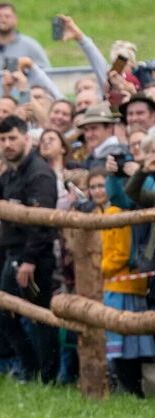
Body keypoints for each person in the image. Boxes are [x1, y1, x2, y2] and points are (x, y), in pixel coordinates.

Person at [0, 115, 60, 383]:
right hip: (13, 255)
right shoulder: (15, 169)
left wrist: (30, 260)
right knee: (5, 318)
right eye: (3, 139)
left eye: (13, 138)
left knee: (40, 317)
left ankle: (47, 377)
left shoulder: (39, 173)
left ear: (26, 137)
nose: (8, 144)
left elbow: (42, 221)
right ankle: (31, 369)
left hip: (32, 258)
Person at [88, 168, 155, 396]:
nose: (98, 190)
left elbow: (121, 253)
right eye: (94, 186)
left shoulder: (120, 214)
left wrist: (98, 269)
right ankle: (125, 388)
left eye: (101, 185)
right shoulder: (98, 213)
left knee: (130, 345)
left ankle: (134, 389)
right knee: (117, 347)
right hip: (110, 284)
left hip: (124, 285)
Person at [0, 2, 51, 72]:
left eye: (7, 16)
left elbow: (47, 75)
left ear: (15, 19)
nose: (3, 20)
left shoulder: (31, 47)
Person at [76, 104, 121, 170]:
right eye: (86, 130)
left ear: (109, 127)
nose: (89, 134)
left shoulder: (118, 154)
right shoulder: (93, 156)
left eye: (94, 128)